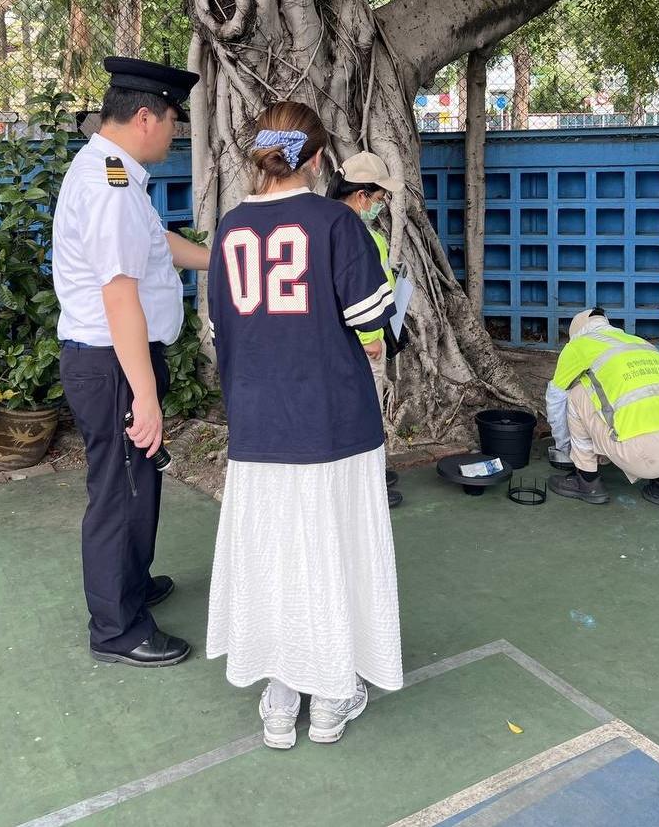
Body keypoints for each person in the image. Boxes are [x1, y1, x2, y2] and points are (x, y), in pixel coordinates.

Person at [206, 102, 402, 751]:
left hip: (258, 427)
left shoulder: (230, 230)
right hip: (333, 422)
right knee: (335, 549)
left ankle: (281, 696)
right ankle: (332, 697)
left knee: (276, 555)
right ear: (318, 160)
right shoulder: (336, 223)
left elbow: (220, 331)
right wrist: (374, 341)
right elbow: (375, 321)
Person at [52, 56, 210, 666]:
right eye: (173, 120)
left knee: (136, 486)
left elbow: (156, 245)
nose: (176, 133)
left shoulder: (115, 174)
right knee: (119, 492)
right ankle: (116, 630)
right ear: (145, 116)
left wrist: (218, 256)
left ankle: (132, 585)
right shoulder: (109, 187)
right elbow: (119, 296)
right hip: (115, 364)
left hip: (119, 361)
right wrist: (143, 397)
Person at [546, 307, 659, 505]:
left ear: (575, 334)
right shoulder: (639, 343)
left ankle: (587, 481)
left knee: (575, 393)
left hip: (642, 455)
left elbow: (556, 400)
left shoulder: (577, 346)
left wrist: (565, 448)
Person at [326, 151, 405, 508]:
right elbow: (353, 290)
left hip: (339, 343)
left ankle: (366, 476)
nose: (382, 204)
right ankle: (368, 484)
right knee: (366, 413)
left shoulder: (327, 225)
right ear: (361, 196)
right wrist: (371, 338)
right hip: (364, 340)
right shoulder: (358, 234)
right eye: (380, 197)